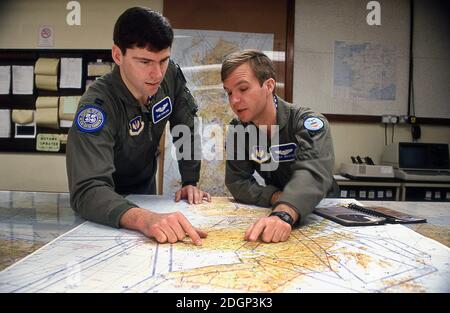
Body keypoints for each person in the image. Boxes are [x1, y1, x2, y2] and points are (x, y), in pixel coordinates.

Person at [66, 7, 210, 246]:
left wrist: (189, 181)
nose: (157, 73)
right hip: (103, 205)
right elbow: (87, 190)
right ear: (117, 55)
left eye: (163, 60)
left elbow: (185, 125)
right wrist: (144, 219)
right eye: (144, 61)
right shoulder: (97, 107)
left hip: (146, 195)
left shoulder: (170, 74)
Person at [221, 49, 338, 243]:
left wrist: (283, 213)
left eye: (242, 89)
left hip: (323, 209)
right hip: (278, 211)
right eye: (229, 92)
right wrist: (275, 197)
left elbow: (313, 173)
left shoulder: (307, 122)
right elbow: (237, 182)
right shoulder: (239, 130)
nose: (234, 100)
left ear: (268, 86)